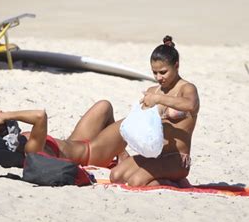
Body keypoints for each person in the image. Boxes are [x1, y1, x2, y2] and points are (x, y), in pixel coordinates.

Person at [78, 35, 200, 186]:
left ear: (176, 66)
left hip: (176, 159)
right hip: (154, 155)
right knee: (115, 176)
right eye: (155, 72)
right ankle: (168, 180)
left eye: (163, 72)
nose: (159, 77)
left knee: (137, 182)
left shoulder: (186, 88)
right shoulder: (153, 90)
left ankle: (178, 181)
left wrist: (158, 100)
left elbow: (191, 105)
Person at [0, 100, 119, 167]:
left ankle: (121, 154)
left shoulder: (21, 140)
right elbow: (40, 116)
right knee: (129, 123)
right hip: (92, 154)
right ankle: (117, 152)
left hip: (76, 141)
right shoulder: (30, 149)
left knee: (104, 106)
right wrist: (8, 115)